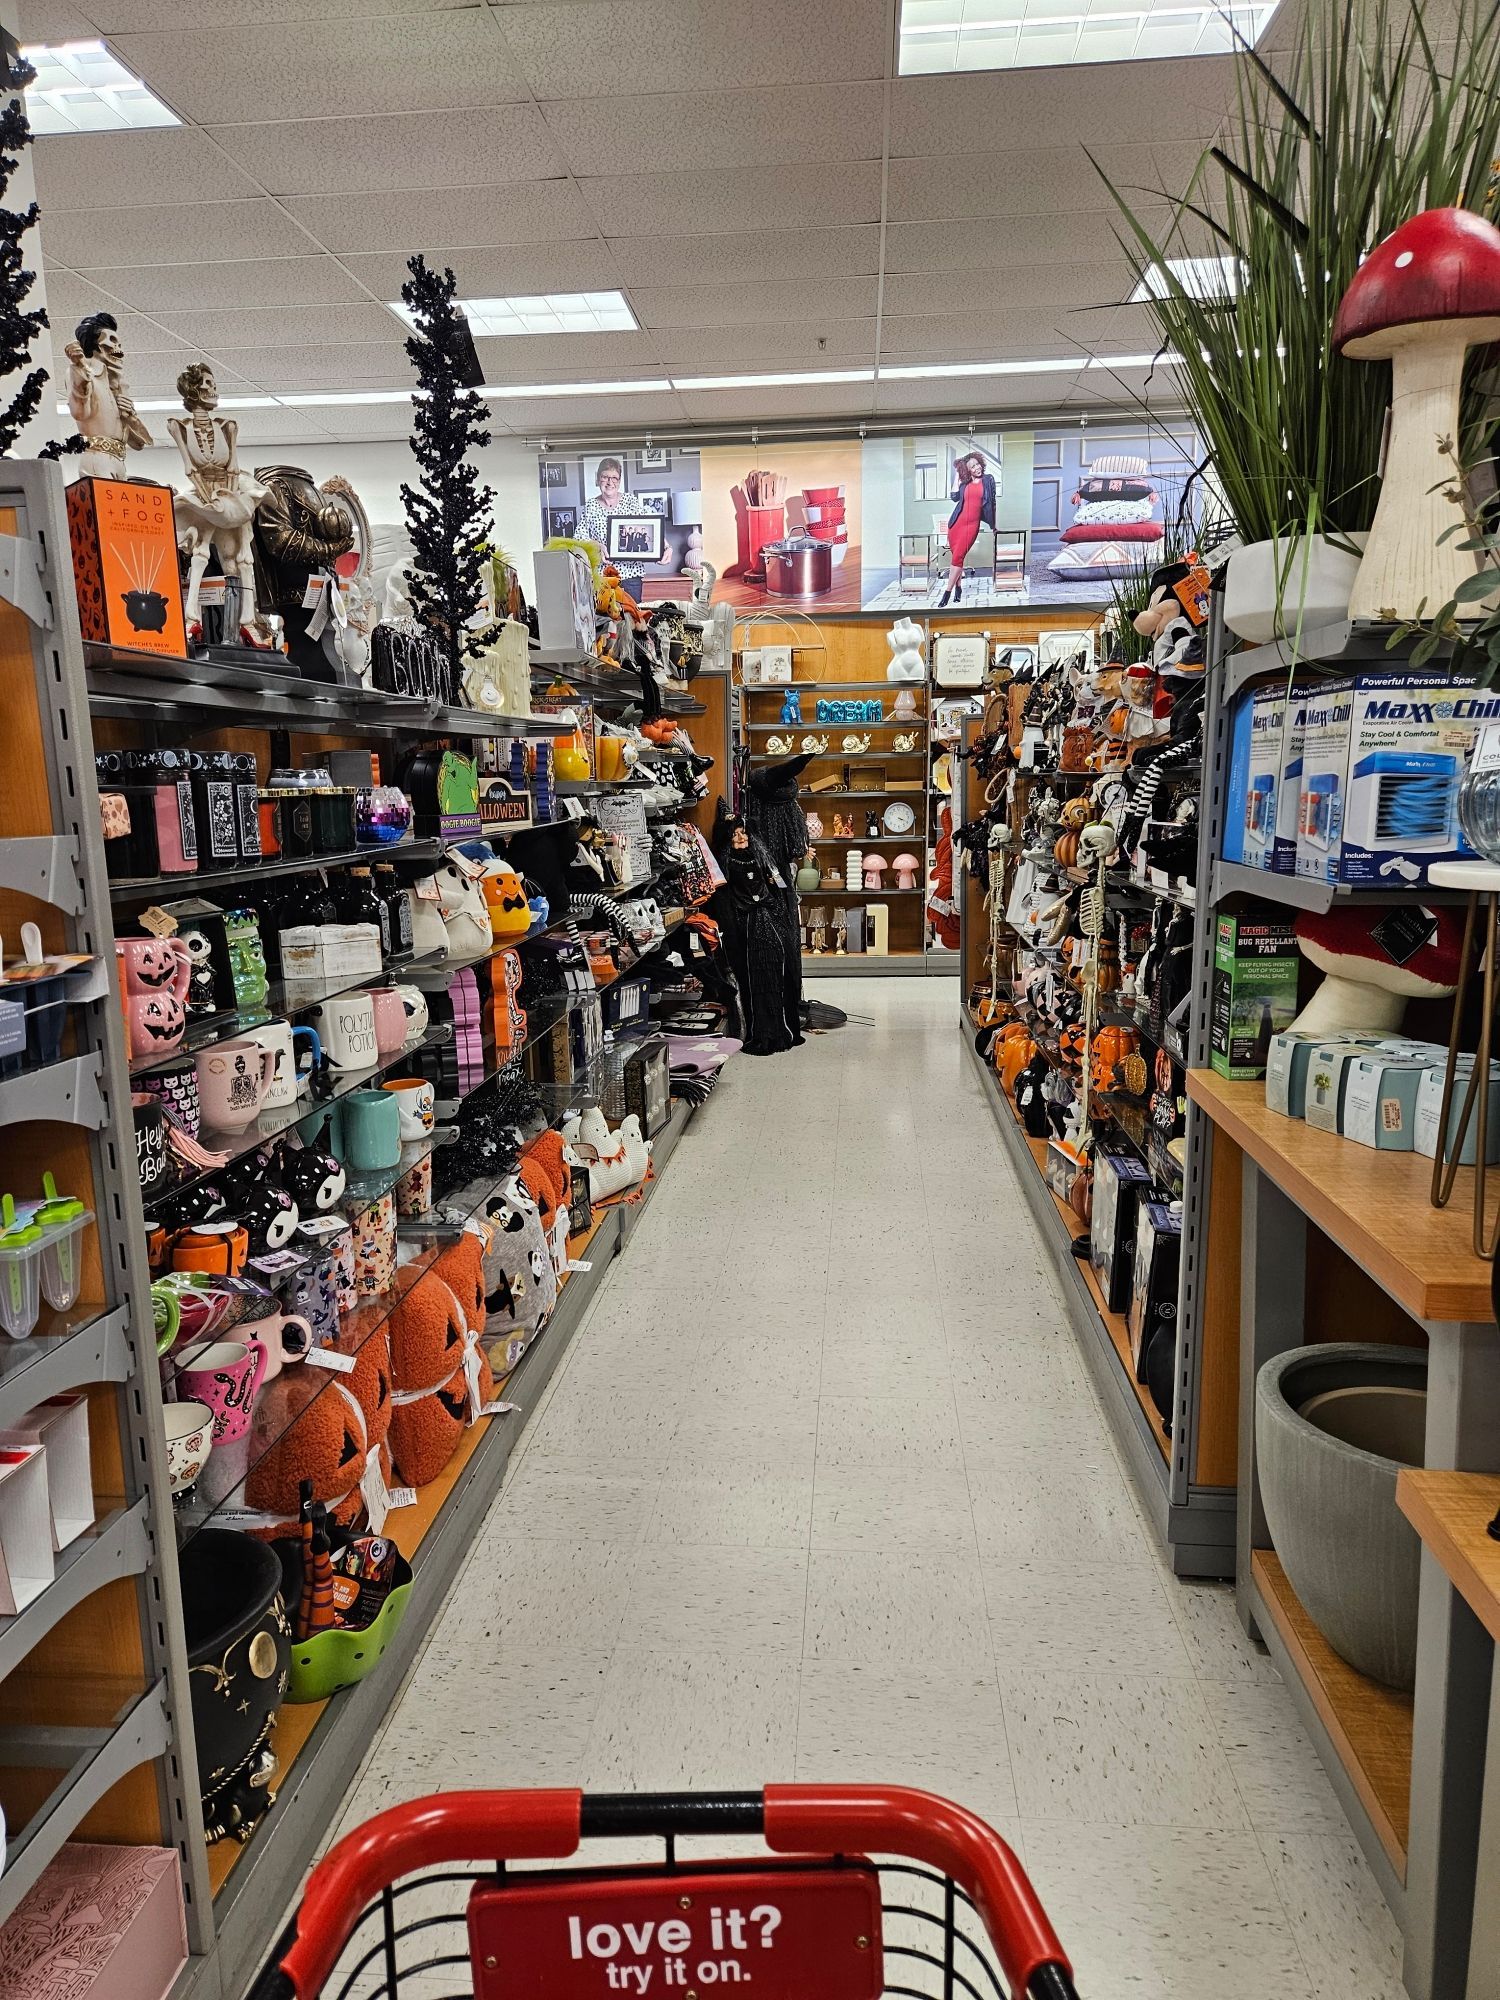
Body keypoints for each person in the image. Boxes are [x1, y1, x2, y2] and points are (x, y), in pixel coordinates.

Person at [167, 362, 268, 640]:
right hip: (201, 493)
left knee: (238, 558)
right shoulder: (179, 427)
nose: (213, 390)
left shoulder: (228, 426)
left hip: (230, 491)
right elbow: (190, 467)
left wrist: (227, 501)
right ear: (195, 389)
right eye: (208, 384)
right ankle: (192, 618)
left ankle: (246, 620)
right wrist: (207, 500)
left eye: (213, 384)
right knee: (200, 552)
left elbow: (233, 467)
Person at [64, 311, 153, 479]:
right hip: (96, 457)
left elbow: (140, 443)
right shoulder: (81, 373)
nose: (119, 350)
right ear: (94, 345)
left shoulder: (118, 385)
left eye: (119, 343)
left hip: (119, 460)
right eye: (111, 341)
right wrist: (79, 370)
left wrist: (131, 417)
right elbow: (80, 412)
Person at [576, 456, 654, 588]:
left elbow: (651, 527)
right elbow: (579, 538)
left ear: (619, 481)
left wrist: (665, 547)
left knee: (631, 609)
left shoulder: (630, 501)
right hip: (601, 576)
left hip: (630, 576)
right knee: (602, 609)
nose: (609, 482)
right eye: (605, 477)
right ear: (598, 479)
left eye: (614, 478)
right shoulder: (590, 505)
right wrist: (596, 545)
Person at [941, 449, 997, 607]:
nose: (976, 468)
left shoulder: (988, 480)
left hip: (971, 526)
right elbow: (954, 498)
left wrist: (994, 524)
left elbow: (992, 503)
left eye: (977, 464)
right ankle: (958, 588)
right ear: (968, 470)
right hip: (956, 524)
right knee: (956, 558)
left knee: (957, 557)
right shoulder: (964, 483)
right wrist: (958, 476)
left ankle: (947, 593)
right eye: (972, 467)